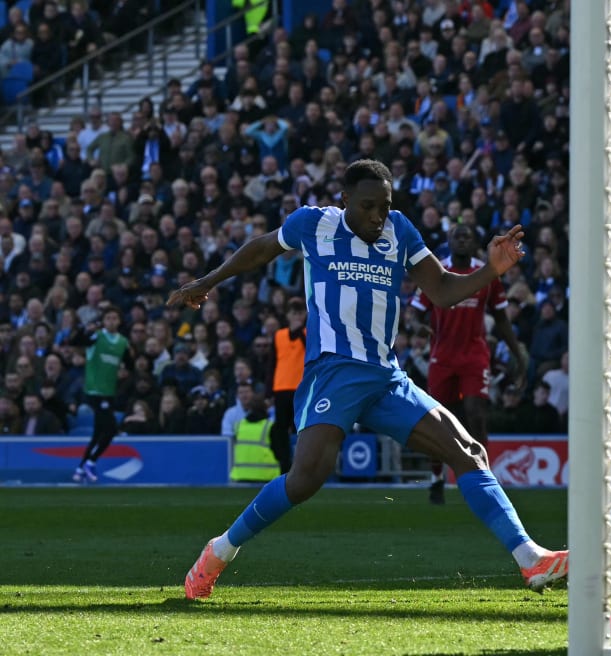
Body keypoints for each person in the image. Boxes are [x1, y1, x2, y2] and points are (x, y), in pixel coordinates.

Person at [169, 159, 567, 600]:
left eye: (385, 205)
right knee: (304, 481)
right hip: (334, 371)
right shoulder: (313, 224)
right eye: (368, 206)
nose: (378, 215)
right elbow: (261, 247)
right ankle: (219, 552)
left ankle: (529, 559)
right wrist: (206, 281)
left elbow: (442, 291)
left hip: (385, 376)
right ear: (345, 202)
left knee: (468, 451)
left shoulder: (399, 230)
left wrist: (492, 269)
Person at [410, 223, 529, 504]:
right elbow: (415, 313)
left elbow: (500, 318)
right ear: (449, 241)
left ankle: (483, 479)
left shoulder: (487, 272)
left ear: (475, 241)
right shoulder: (436, 271)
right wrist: (418, 327)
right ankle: (437, 478)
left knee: (476, 413)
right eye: (457, 236)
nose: (462, 240)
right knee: (438, 421)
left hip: (474, 354)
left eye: (467, 236)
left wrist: (519, 354)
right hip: (442, 357)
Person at [68, 306, 134, 483]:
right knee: (111, 429)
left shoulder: (122, 342)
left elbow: (130, 365)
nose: (112, 321)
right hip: (94, 391)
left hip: (109, 392)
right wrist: (84, 329)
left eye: (115, 318)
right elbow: (74, 342)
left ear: (119, 321)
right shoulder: (96, 337)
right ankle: (91, 461)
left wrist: (124, 371)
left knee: (98, 433)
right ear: (104, 321)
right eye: (108, 318)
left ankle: (80, 468)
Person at [269, 297, 307, 474]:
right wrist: (269, 389)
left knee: (302, 429)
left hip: (301, 388)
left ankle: (302, 465)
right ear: (287, 315)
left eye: (300, 313)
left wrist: (299, 331)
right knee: (280, 429)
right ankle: (285, 463)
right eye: (294, 313)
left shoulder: (309, 334)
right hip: (281, 388)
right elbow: (272, 362)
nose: (297, 316)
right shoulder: (279, 335)